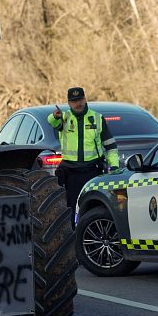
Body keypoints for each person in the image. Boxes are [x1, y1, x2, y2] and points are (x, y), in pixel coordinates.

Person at [47, 87, 120, 227]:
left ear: (85, 99)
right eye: (74, 101)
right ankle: (74, 238)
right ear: (69, 103)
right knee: (72, 209)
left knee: (94, 207)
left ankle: (95, 235)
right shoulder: (64, 117)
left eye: (80, 100)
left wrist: (114, 167)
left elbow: (110, 147)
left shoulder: (97, 118)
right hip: (71, 172)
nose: (78, 104)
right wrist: (54, 116)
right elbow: (53, 122)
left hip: (92, 171)